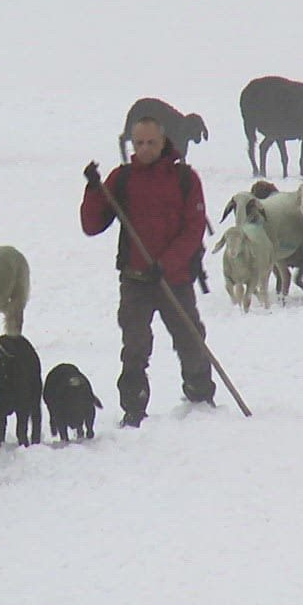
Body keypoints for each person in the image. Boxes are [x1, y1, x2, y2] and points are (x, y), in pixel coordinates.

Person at [81, 116, 215, 428]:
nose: (144, 149)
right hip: (135, 280)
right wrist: (94, 190)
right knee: (135, 347)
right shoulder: (122, 179)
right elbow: (92, 225)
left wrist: (166, 264)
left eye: (151, 142)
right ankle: (134, 408)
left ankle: (200, 398)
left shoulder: (185, 178)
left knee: (190, 340)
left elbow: (193, 229)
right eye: (139, 143)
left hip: (175, 279)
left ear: (163, 141)